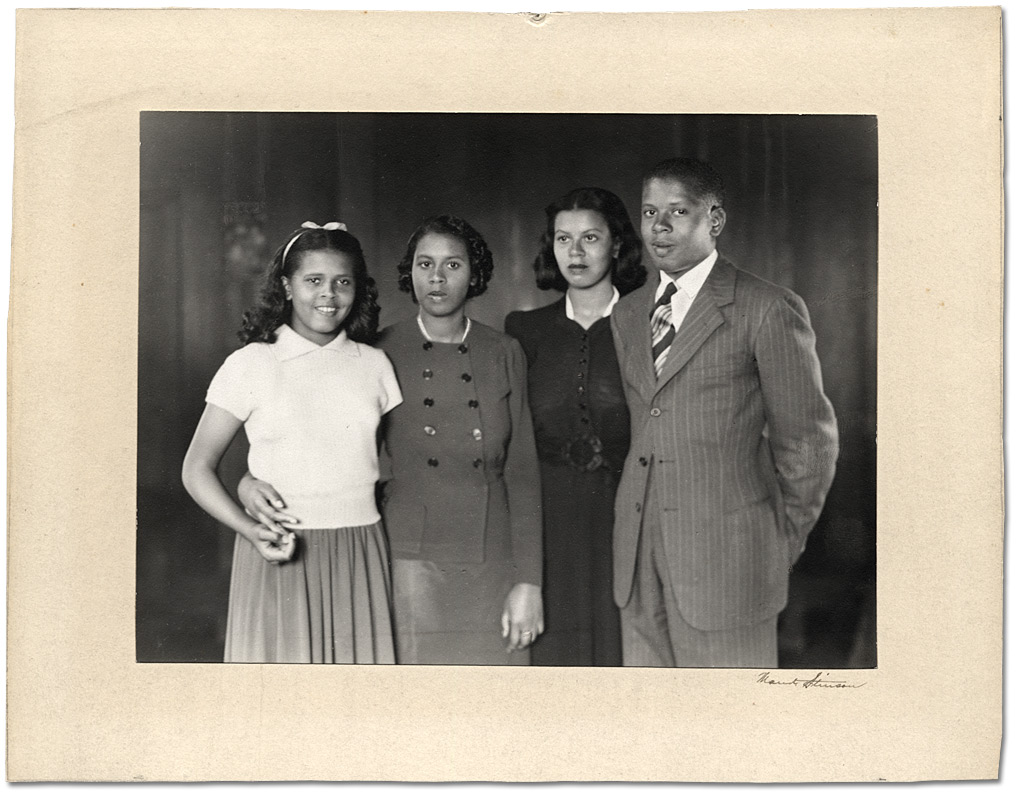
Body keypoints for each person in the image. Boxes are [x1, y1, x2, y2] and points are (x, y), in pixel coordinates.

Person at [241, 216, 544, 665]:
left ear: (475, 274)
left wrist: (530, 581)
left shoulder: (503, 351)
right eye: (425, 264)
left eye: (453, 265)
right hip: (408, 557)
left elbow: (522, 471)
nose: (437, 278)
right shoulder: (377, 351)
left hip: (494, 556)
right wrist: (250, 480)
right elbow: (320, 440)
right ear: (410, 274)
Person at [610, 158, 839, 667]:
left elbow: (808, 441)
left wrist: (781, 541)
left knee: (730, 729)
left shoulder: (766, 307)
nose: (659, 226)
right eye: (649, 212)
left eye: (677, 211)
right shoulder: (627, 313)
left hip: (731, 562)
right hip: (638, 555)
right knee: (649, 728)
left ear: (714, 220)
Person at [182, 222, 401, 664]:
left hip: (360, 551)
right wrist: (250, 526)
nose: (329, 295)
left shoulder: (375, 364)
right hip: (277, 547)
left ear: (357, 289)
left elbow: (386, 463)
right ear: (286, 286)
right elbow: (196, 468)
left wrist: (246, 479)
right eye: (313, 281)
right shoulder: (252, 364)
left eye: (342, 282)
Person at [504, 187, 645, 666]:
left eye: (590, 237)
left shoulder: (650, 324)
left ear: (618, 244)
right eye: (564, 239)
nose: (576, 252)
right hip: (549, 523)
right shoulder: (525, 330)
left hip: (629, 519)